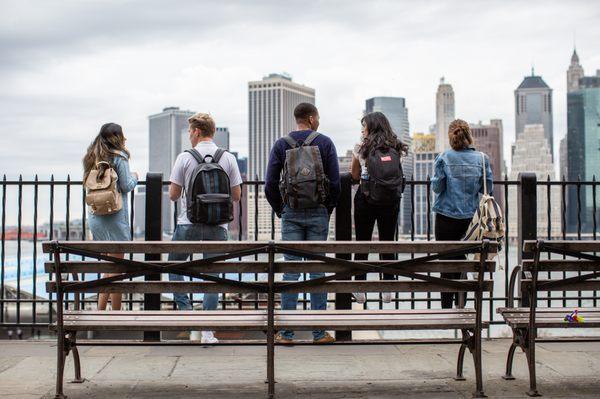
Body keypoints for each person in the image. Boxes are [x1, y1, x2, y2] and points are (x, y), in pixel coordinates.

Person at [265, 102, 340, 344]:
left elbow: (269, 185)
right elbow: (336, 183)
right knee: (317, 270)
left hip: (291, 213)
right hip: (318, 212)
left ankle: (286, 333)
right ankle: (319, 333)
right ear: (310, 118)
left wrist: (282, 209)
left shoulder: (281, 144)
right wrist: (326, 208)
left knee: (291, 271)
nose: (319, 120)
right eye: (317, 117)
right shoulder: (325, 143)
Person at [168, 113, 242, 343]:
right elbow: (237, 196)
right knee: (214, 276)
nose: (189, 135)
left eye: (190, 131)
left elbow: (173, 195)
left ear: (197, 131)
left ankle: (188, 315)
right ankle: (208, 330)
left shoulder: (184, 158)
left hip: (187, 224)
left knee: (174, 269)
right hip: (218, 227)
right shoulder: (227, 158)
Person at [431, 119, 493, 309]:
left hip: (445, 218)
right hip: (471, 219)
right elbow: (487, 188)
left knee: (446, 264)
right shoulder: (482, 159)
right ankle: (462, 306)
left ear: (451, 136)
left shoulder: (444, 158)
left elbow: (437, 187)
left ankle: (446, 307)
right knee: (465, 264)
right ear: (469, 136)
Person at [350, 112, 408, 305]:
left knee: (362, 243)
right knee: (387, 242)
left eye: (363, 127)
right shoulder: (397, 148)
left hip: (366, 199)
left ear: (371, 128)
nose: (362, 130)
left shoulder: (361, 148)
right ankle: (388, 289)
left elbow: (355, 175)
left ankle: (359, 289)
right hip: (391, 200)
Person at [83, 122, 138, 311]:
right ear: (118, 137)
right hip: (115, 216)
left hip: (96, 215)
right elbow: (126, 185)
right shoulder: (119, 157)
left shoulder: (92, 157)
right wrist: (135, 176)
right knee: (117, 269)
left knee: (110, 267)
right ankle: (115, 314)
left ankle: (101, 312)